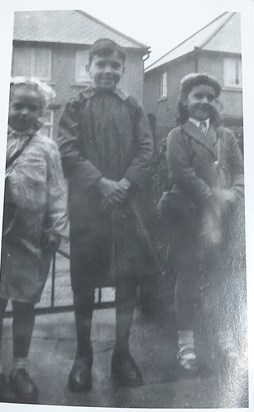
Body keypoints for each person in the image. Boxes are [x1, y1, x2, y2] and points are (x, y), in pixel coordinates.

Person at [57, 38, 159, 391]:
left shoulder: (133, 107)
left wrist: (125, 185)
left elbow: (147, 149)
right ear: (88, 69)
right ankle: (83, 355)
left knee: (127, 280)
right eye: (100, 65)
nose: (107, 71)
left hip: (126, 205)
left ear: (123, 70)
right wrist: (101, 183)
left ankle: (122, 354)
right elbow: (66, 150)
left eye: (114, 66)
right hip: (89, 206)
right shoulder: (74, 106)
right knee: (84, 282)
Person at [166, 73, 245, 374]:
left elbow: (240, 169)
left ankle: (225, 340)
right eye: (197, 96)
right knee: (187, 277)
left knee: (220, 275)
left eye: (210, 98)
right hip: (189, 213)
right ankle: (186, 346)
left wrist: (235, 194)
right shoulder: (178, 135)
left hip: (222, 215)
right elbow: (181, 174)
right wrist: (212, 196)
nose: (204, 102)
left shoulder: (225, 136)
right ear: (185, 101)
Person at [0, 77, 68, 403]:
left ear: (42, 113)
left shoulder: (47, 148)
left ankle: (20, 367)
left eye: (33, 108)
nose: (25, 112)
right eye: (18, 105)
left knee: (25, 307)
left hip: (30, 242)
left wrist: (55, 229)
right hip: (2, 241)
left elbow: (57, 193)